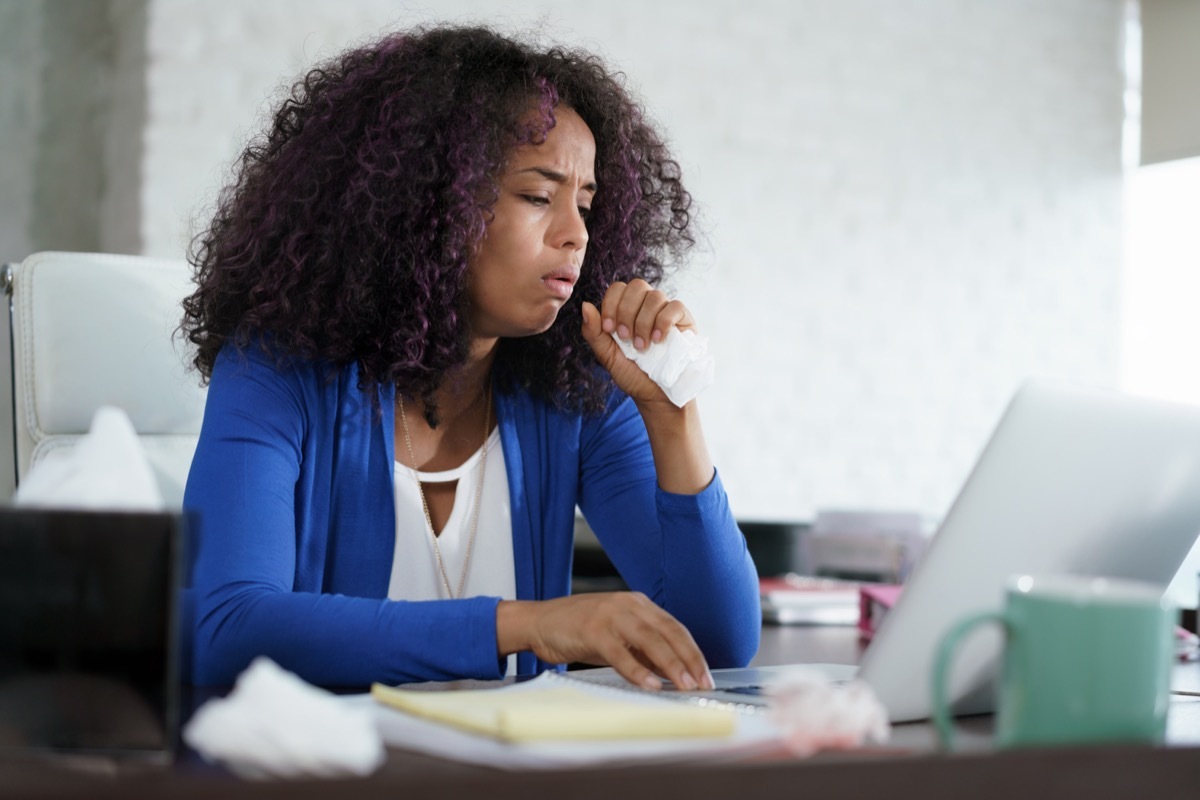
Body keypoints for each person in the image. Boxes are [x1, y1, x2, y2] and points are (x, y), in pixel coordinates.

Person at [181, 24, 760, 690]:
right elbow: (227, 630)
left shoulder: (572, 392)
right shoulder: (277, 371)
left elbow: (718, 642)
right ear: (428, 203)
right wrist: (528, 625)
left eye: (587, 205)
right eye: (538, 197)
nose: (576, 235)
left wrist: (672, 414)